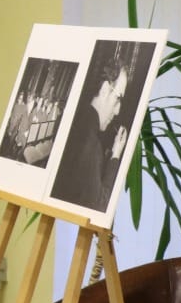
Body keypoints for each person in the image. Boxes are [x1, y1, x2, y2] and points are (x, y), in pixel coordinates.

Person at [49, 50, 132, 212]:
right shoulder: (92, 146)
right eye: (118, 98)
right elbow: (99, 206)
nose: (117, 111)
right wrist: (115, 156)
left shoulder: (67, 121)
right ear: (104, 89)